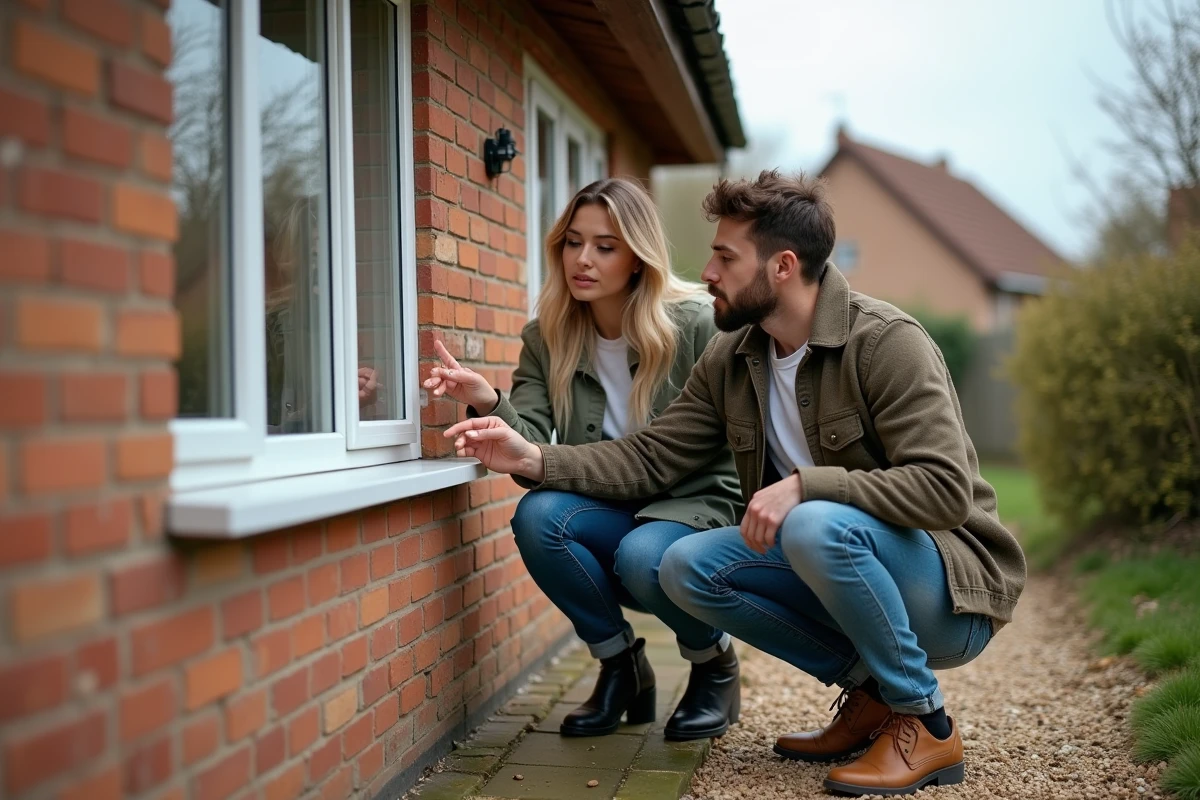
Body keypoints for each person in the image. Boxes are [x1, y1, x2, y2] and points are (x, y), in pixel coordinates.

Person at [442, 170, 1026, 796]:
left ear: (781, 266)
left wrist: (807, 485)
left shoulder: (885, 342)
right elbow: (651, 457)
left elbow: (944, 489)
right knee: (684, 565)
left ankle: (926, 720)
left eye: (725, 256)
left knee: (812, 519)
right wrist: (532, 458)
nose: (708, 272)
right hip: (842, 557)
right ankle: (873, 695)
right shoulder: (736, 355)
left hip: (949, 592)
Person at [423, 178, 744, 740]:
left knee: (646, 553)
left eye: (605, 245)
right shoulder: (549, 335)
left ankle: (713, 663)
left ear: (638, 258)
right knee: (540, 516)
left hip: (692, 506)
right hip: (609, 503)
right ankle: (621, 666)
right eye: (573, 242)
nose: (584, 259)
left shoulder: (697, 326)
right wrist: (486, 400)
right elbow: (525, 441)